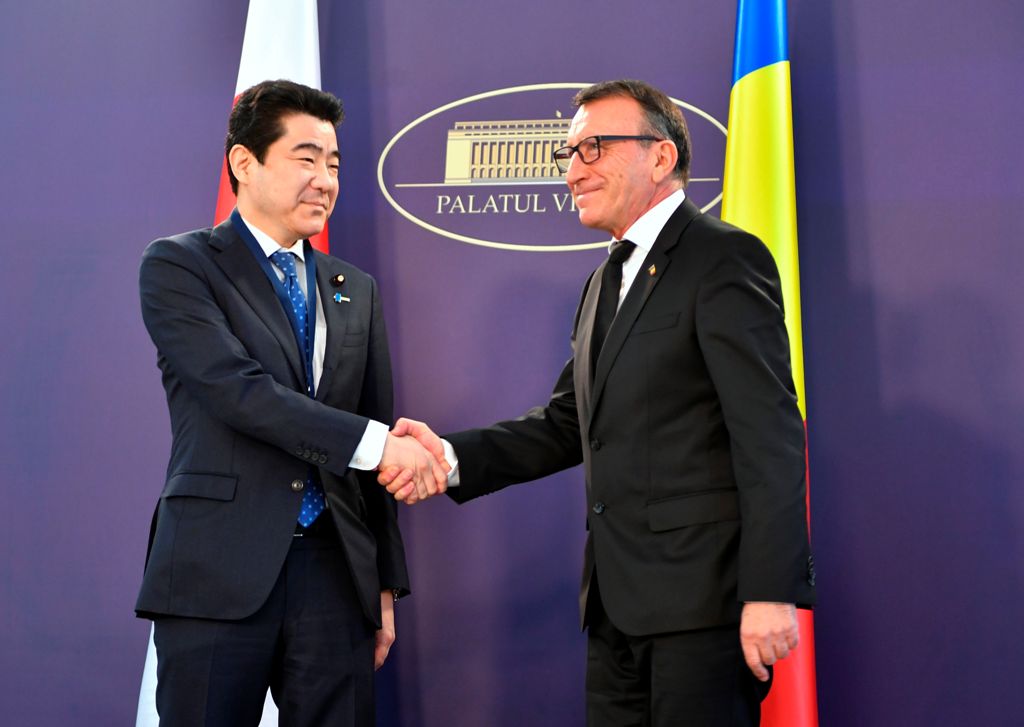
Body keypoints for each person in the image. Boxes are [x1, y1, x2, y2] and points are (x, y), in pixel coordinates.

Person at [380, 79, 816, 726]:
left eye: (593, 148)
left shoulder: (722, 258)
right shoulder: (601, 281)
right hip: (614, 611)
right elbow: (566, 423)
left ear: (660, 158)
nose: (572, 171)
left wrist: (771, 591)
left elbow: (770, 433)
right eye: (568, 154)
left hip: (704, 613)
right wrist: (446, 457)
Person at [135, 79, 447, 727]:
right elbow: (239, 390)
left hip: (335, 573)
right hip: (217, 570)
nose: (325, 180)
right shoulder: (181, 266)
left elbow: (374, 426)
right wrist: (376, 443)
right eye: (306, 159)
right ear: (244, 164)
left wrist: (383, 582)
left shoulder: (352, 287)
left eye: (334, 164)